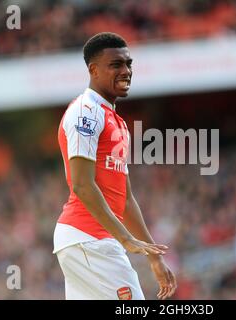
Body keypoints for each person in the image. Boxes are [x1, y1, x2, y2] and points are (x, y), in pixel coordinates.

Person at [53, 32, 177, 300]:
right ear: (93, 70)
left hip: (91, 241)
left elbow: (125, 198)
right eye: (116, 65)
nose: (126, 71)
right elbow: (83, 185)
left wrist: (153, 255)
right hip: (88, 237)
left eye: (128, 64)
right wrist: (125, 238)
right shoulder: (85, 112)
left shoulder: (116, 121)